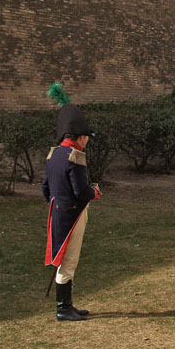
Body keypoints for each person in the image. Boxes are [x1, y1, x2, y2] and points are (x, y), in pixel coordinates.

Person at [42, 83, 101, 321]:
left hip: (58, 212)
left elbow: (45, 188)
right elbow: (81, 191)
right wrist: (95, 192)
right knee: (68, 261)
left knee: (64, 260)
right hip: (73, 214)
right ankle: (63, 308)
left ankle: (66, 304)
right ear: (80, 136)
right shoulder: (75, 156)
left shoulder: (53, 154)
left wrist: (56, 204)